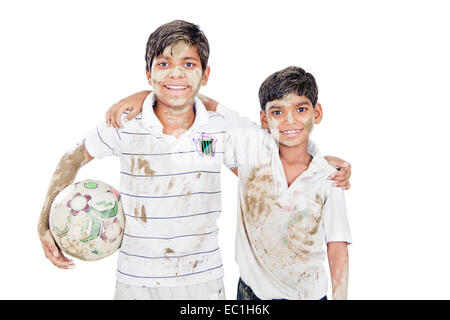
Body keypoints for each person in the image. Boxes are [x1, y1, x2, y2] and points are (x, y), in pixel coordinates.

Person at [105, 66, 352, 300]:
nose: (289, 121)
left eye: (301, 109)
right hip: (250, 294)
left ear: (316, 113)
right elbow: (198, 101)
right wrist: (147, 96)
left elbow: (337, 245)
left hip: (307, 294)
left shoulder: (329, 176)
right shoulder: (251, 148)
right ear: (264, 120)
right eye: (277, 112)